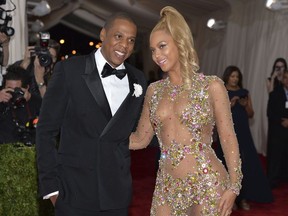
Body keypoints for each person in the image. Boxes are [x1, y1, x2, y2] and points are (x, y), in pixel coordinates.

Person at [129, 6, 242, 216]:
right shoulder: (153, 91)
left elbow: (227, 137)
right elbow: (140, 139)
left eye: (162, 46)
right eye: (153, 49)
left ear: (180, 42)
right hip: (167, 186)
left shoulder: (212, 86)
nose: (156, 55)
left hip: (208, 183)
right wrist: (102, 135)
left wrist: (234, 186)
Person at [36, 12, 147, 216]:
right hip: (73, 190)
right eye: (118, 36)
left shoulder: (138, 79)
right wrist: (51, 187)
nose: (124, 45)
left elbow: (140, 130)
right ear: (103, 34)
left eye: (131, 40)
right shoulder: (69, 70)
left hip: (116, 193)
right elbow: (45, 131)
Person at [217, 66, 273, 210]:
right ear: (227, 77)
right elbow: (217, 115)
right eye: (232, 76)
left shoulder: (244, 93)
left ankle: (243, 198)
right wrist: (230, 105)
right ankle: (231, 199)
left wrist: (244, 105)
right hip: (227, 133)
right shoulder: (221, 91)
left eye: (237, 77)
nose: (235, 79)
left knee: (245, 164)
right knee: (227, 163)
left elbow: (251, 114)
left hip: (243, 133)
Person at [0, 64, 42, 145]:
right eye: (9, 89)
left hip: (29, 152)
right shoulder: (1, 100)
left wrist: (31, 99)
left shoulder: (35, 102)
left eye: (16, 90)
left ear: (26, 88)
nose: (12, 93)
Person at [267, 70, 288, 188]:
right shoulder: (275, 93)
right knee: (276, 156)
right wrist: (282, 121)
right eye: (285, 78)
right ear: (282, 79)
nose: (287, 80)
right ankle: (273, 180)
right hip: (278, 130)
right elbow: (270, 112)